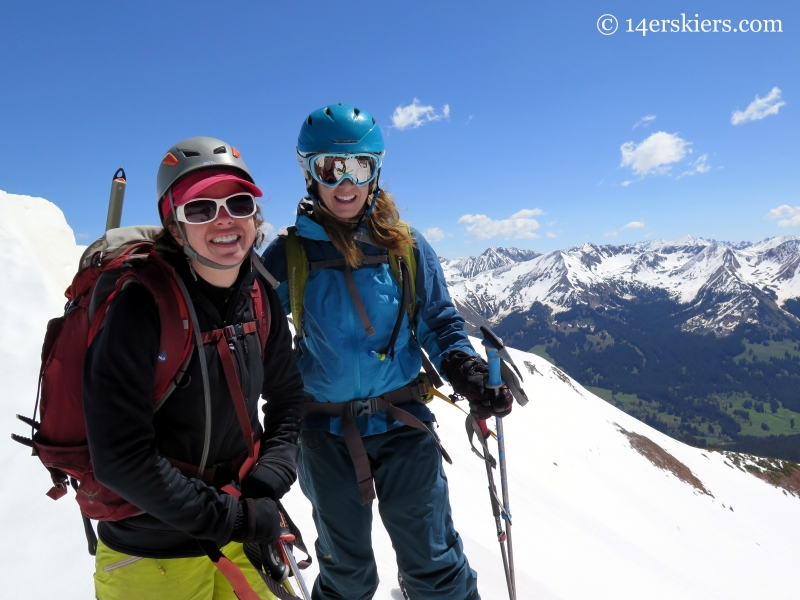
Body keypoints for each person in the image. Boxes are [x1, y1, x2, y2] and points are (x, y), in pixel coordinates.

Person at [261, 104, 514, 600]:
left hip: (402, 422)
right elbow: (251, 336)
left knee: (434, 563)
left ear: (376, 170)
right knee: (347, 572)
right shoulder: (288, 254)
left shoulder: (406, 246)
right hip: (322, 430)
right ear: (309, 172)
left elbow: (439, 323)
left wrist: (464, 370)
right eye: (330, 168)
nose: (345, 182)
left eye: (359, 166)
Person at [83, 136, 305, 599]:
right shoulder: (139, 307)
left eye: (238, 203)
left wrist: (272, 475)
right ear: (175, 225)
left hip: (241, 533)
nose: (224, 219)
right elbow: (120, 459)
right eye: (200, 208)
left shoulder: (259, 294)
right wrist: (239, 517)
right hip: (149, 554)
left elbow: (287, 396)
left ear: (254, 215)